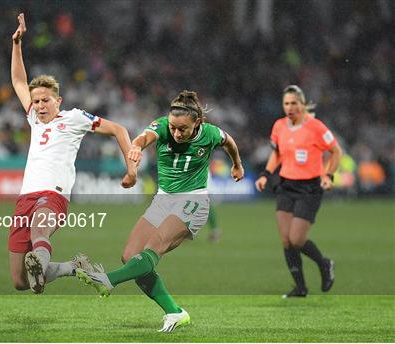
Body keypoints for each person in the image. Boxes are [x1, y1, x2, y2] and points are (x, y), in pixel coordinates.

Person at [76, 91, 244, 332]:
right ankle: (175, 312)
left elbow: (229, 142)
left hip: (193, 200)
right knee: (130, 256)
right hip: (163, 200)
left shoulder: (210, 133)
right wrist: (135, 148)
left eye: (182, 129)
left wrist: (237, 164)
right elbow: (144, 137)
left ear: (197, 123)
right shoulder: (164, 126)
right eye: (173, 127)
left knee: (152, 249)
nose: (176, 133)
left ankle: (107, 280)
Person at [9, 13, 137, 294]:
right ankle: (72, 267)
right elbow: (19, 81)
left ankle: (40, 263)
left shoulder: (74, 118)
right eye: (37, 101)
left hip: (53, 195)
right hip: (24, 197)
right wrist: (17, 44)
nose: (40, 105)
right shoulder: (32, 117)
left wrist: (131, 167)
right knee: (19, 282)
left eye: (46, 100)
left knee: (39, 231)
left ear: (59, 101)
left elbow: (118, 129)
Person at [255, 85, 342, 298]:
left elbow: (335, 151)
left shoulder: (316, 127)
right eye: (286, 103)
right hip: (286, 185)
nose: (290, 107)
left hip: (309, 188)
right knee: (286, 240)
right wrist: (266, 174)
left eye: (294, 103)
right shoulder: (279, 126)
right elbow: (277, 153)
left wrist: (328, 176)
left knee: (296, 239)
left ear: (302, 104)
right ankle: (300, 288)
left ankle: (324, 264)